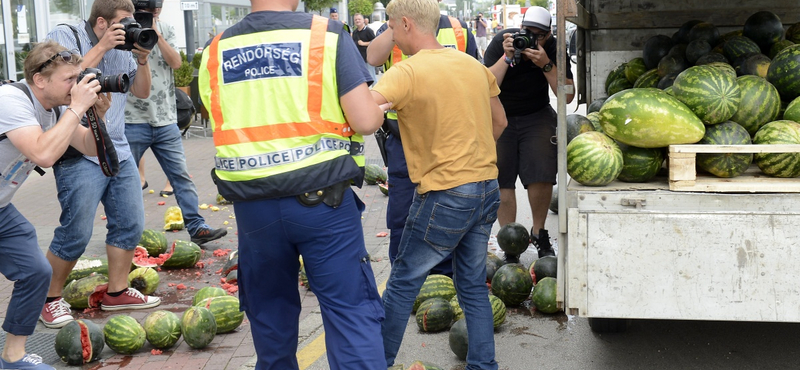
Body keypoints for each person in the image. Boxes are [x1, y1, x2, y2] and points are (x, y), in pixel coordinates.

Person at [197, 0, 386, 368]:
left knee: (270, 323)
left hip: (255, 212)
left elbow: (216, 114)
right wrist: (378, 108)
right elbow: (364, 120)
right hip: (323, 206)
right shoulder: (325, 35)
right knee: (351, 316)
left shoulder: (216, 49)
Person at [369, 0, 506, 367]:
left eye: (392, 27)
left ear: (408, 25)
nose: (392, 35)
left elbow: (365, 117)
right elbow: (500, 122)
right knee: (473, 286)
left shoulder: (405, 72)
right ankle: (483, 365)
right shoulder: (472, 65)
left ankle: (377, 362)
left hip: (445, 193)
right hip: (486, 187)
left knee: (402, 284)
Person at [40, 0, 161, 330]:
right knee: (76, 233)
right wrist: (104, 47)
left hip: (117, 149)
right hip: (77, 150)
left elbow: (142, 92)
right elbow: (60, 78)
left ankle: (117, 291)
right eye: (124, 23)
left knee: (129, 223)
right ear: (102, 24)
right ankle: (48, 299)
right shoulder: (67, 35)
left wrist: (142, 58)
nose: (130, 29)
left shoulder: (125, 48)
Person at [0, 41, 108, 370]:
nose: (77, 86)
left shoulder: (57, 109)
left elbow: (89, 145)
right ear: (40, 80)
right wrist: (77, 107)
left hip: (1, 209)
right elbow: (43, 154)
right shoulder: (9, 100)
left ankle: (13, 358)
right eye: (70, 79)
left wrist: (97, 114)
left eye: (79, 78)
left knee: (37, 272)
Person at [366, 0, 478, 278]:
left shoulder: (458, 29)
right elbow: (372, 58)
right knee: (403, 217)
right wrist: (397, 25)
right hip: (402, 142)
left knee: (445, 213)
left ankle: (441, 280)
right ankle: (404, 280)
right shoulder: (393, 27)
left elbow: (476, 75)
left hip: (447, 140)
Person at [124, 5, 227, 247]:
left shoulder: (166, 29)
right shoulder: (122, 30)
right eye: (147, 9)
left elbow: (177, 63)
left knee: (180, 176)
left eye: (155, 9)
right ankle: (125, 234)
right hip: (130, 118)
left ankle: (197, 226)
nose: (153, 12)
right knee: (125, 181)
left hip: (165, 118)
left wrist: (156, 35)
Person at [483, 6, 574, 258]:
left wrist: (545, 64)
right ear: (520, 27)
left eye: (538, 34)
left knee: (541, 174)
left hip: (537, 113)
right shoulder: (504, 41)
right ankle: (509, 239)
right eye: (527, 31)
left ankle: (539, 232)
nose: (531, 38)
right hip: (501, 115)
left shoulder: (555, 48)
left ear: (548, 34)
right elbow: (484, 85)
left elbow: (566, 96)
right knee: (501, 178)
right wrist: (506, 56)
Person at [352, 13, 376, 82]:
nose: (357, 21)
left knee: (372, 77)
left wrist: (364, 43)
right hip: (359, 59)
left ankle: (375, 91)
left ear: (363, 20)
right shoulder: (355, 32)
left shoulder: (368, 31)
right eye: (356, 20)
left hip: (368, 58)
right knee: (362, 79)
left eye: (359, 19)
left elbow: (375, 42)